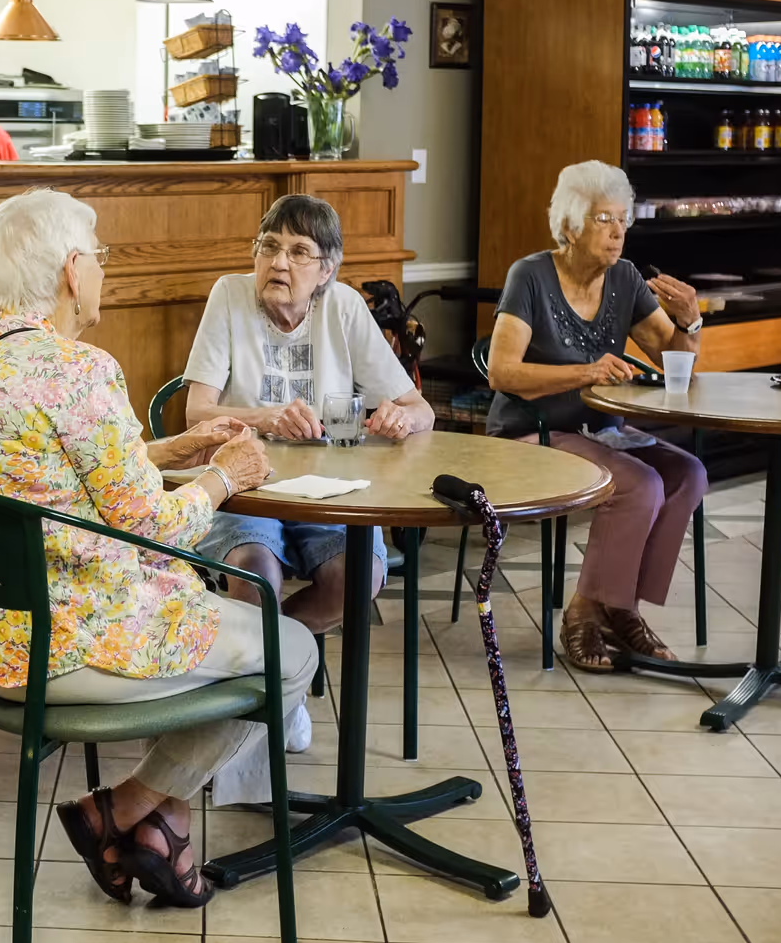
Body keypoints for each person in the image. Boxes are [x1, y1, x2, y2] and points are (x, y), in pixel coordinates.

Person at [0, 187, 318, 909]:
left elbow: (57, 474)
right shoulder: (77, 370)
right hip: (63, 649)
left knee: (219, 625)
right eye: (99, 259)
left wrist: (175, 447)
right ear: (74, 270)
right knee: (288, 648)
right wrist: (228, 476)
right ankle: (128, 807)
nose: (104, 271)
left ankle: (160, 821)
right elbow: (152, 528)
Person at [180, 193, 433, 749]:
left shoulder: (343, 308)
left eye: (299, 252)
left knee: (358, 578)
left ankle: (271, 679)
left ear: (326, 271)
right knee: (255, 577)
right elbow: (195, 411)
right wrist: (263, 416)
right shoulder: (228, 296)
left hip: (333, 489)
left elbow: (422, 410)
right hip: (247, 487)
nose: (279, 263)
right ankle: (276, 691)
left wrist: (397, 415)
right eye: (269, 247)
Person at [485, 160, 708, 672]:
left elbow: (676, 362)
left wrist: (690, 319)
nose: (619, 231)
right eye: (605, 219)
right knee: (640, 485)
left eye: (623, 219)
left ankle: (614, 603)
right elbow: (502, 373)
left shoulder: (625, 279)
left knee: (687, 474)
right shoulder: (531, 276)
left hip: (600, 432)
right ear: (571, 224)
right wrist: (585, 372)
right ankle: (588, 612)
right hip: (530, 432)